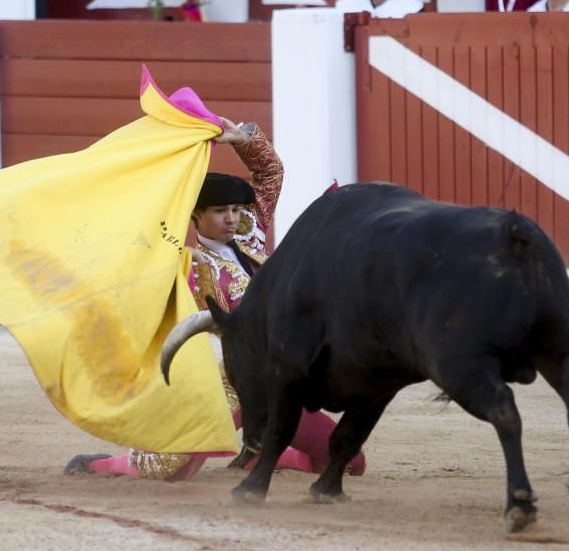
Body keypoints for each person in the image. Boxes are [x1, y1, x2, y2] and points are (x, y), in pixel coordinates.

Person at [66, 119, 366, 481]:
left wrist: (242, 139)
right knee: (172, 469)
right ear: (195, 216)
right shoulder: (184, 265)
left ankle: (271, 454)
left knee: (350, 461)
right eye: (220, 211)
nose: (231, 218)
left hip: (286, 380)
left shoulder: (249, 235)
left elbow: (270, 173)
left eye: (236, 210)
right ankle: (100, 465)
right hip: (235, 385)